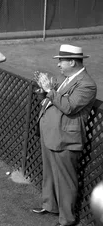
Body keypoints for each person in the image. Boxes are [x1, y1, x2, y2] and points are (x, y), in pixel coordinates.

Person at [32, 44, 96, 226]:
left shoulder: (87, 84)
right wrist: (43, 92)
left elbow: (69, 106)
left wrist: (50, 90)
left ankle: (67, 219)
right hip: (50, 133)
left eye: (61, 61)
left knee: (65, 180)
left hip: (65, 139)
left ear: (72, 62)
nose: (59, 65)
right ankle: (49, 205)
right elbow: (54, 101)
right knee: (49, 174)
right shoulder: (66, 78)